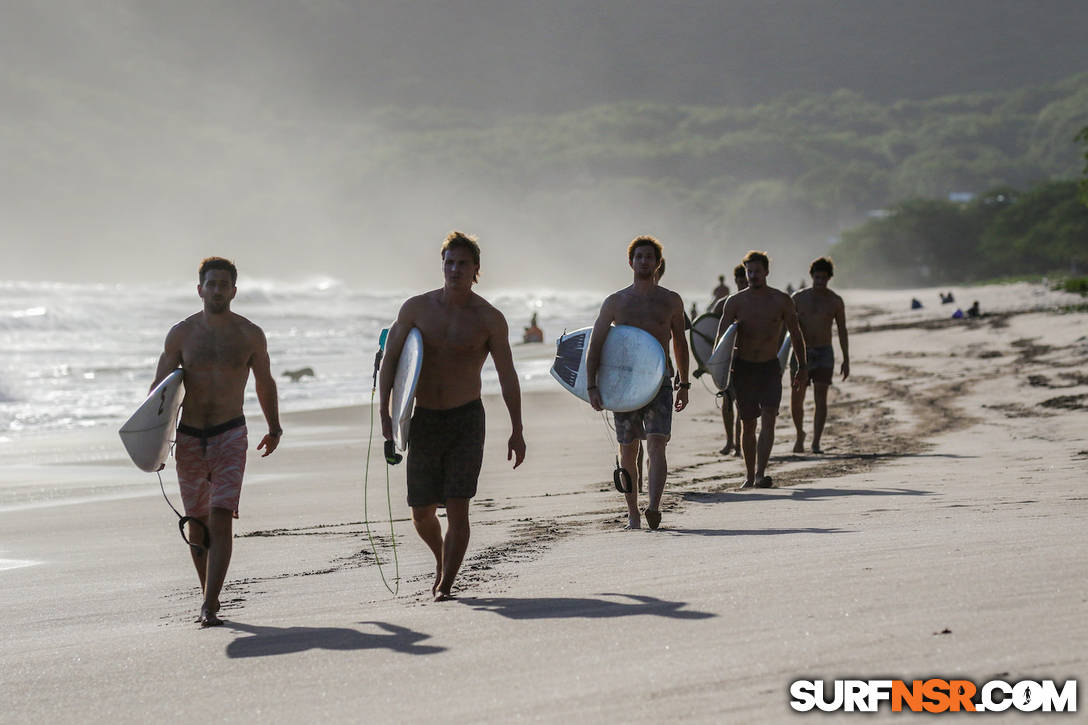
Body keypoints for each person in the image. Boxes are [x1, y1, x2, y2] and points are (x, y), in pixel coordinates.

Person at [379, 231, 526, 601]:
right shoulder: (416, 309)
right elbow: (392, 362)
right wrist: (386, 412)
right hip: (424, 418)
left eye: (463, 264)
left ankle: (446, 583)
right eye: (449, 262)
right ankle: (441, 558)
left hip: (465, 420)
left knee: (458, 507)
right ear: (442, 265)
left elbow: (507, 375)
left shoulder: (489, 319)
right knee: (421, 512)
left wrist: (517, 428)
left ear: (476, 269)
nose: (455, 269)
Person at [150, 257, 282, 627]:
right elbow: (158, 391)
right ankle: (208, 591)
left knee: (221, 516)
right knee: (197, 523)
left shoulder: (249, 334)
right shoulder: (181, 334)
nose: (218, 290)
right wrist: (154, 444)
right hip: (190, 437)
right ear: (200, 289)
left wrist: (274, 426)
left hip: (229, 433)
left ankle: (210, 603)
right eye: (212, 284)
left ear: (234, 291)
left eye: (224, 285)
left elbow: (264, 382)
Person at [588, 237, 689, 530]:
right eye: (639, 256)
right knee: (628, 449)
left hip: (660, 382)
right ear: (630, 262)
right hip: (625, 387)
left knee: (658, 444)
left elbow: (680, 344)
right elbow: (595, 345)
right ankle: (632, 512)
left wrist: (684, 383)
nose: (644, 261)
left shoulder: (671, 300)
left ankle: (654, 507)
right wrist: (592, 387)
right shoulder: (616, 302)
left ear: (658, 263)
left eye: (649, 257)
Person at [717, 251, 806, 488]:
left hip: (769, 367)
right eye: (749, 271)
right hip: (743, 368)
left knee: (769, 419)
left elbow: (795, 336)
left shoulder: (781, 300)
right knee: (748, 424)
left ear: (766, 272)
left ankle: (760, 473)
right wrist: (719, 374)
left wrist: (802, 366)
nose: (753, 275)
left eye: (757, 271)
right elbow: (720, 341)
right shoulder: (734, 302)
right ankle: (748, 475)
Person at [790, 257, 849, 455]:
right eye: (817, 277)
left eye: (824, 278)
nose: (820, 281)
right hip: (801, 353)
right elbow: (784, 327)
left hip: (824, 351)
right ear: (811, 276)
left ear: (829, 278)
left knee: (820, 398)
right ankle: (800, 434)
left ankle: (816, 442)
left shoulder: (834, 301)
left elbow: (842, 330)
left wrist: (846, 359)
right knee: (797, 398)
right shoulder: (798, 298)